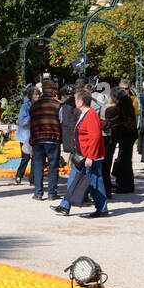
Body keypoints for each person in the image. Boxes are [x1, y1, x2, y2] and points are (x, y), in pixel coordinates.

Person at [52, 90, 109, 218]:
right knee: (74, 179)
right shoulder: (84, 114)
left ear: (81, 102)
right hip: (82, 155)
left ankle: (102, 208)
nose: (75, 102)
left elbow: (95, 137)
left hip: (90, 156)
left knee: (95, 182)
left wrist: (90, 157)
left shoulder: (91, 115)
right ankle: (65, 206)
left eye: (76, 100)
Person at [28, 79, 62, 200]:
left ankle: (38, 193)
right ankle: (52, 194)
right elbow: (61, 122)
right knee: (53, 167)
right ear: (53, 91)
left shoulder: (34, 106)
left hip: (37, 139)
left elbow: (31, 123)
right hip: (53, 139)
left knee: (38, 166)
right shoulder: (58, 105)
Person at [110, 86, 139, 193]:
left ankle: (124, 185)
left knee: (123, 160)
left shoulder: (120, 106)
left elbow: (120, 122)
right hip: (130, 135)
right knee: (125, 160)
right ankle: (126, 184)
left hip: (125, 135)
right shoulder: (128, 104)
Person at [12, 85, 39, 185]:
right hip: (24, 137)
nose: (38, 97)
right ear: (31, 96)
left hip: (35, 136)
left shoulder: (39, 106)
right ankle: (19, 175)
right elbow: (22, 122)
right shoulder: (25, 106)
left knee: (35, 158)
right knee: (26, 157)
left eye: (38, 95)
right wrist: (32, 116)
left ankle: (32, 179)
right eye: (36, 95)